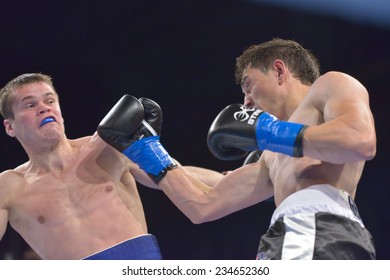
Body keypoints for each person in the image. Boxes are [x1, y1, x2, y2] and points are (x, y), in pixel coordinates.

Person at [100, 38, 377, 259]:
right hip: (286, 236)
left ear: (279, 71)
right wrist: (145, 152)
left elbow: (360, 140)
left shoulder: (330, 85)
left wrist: (271, 132)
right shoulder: (273, 154)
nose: (245, 103)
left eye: (249, 86)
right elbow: (204, 204)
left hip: (318, 229)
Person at [0, 73, 165, 260]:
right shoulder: (8, 187)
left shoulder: (105, 147)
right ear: (10, 127)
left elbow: (177, 178)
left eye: (50, 101)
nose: (44, 108)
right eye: (30, 105)